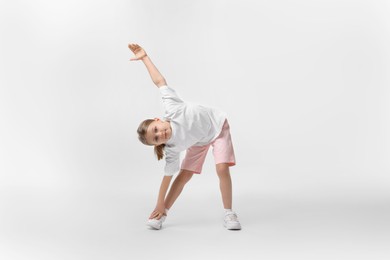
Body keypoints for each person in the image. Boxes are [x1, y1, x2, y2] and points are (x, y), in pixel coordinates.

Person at [129, 43, 241, 230]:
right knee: (183, 175)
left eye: (156, 129)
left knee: (222, 169)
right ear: (158, 144)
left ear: (158, 119)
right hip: (199, 141)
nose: (159, 134)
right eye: (156, 138)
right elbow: (167, 178)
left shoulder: (171, 107)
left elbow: (159, 81)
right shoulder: (172, 148)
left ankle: (229, 213)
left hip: (218, 126)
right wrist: (159, 204)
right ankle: (161, 214)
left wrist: (144, 58)